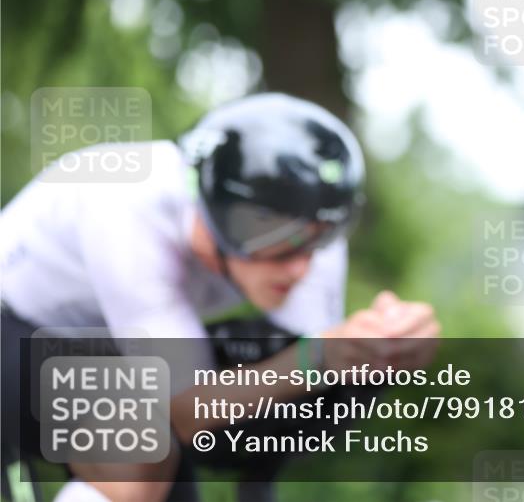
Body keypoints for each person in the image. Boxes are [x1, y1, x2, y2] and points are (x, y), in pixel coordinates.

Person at [0, 93, 440, 502]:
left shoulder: (311, 230)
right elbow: (188, 413)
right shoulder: (127, 205)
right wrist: (319, 355)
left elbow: (283, 413)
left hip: (115, 342)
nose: (300, 267)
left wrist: (378, 356)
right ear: (216, 210)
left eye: (319, 240)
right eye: (276, 236)